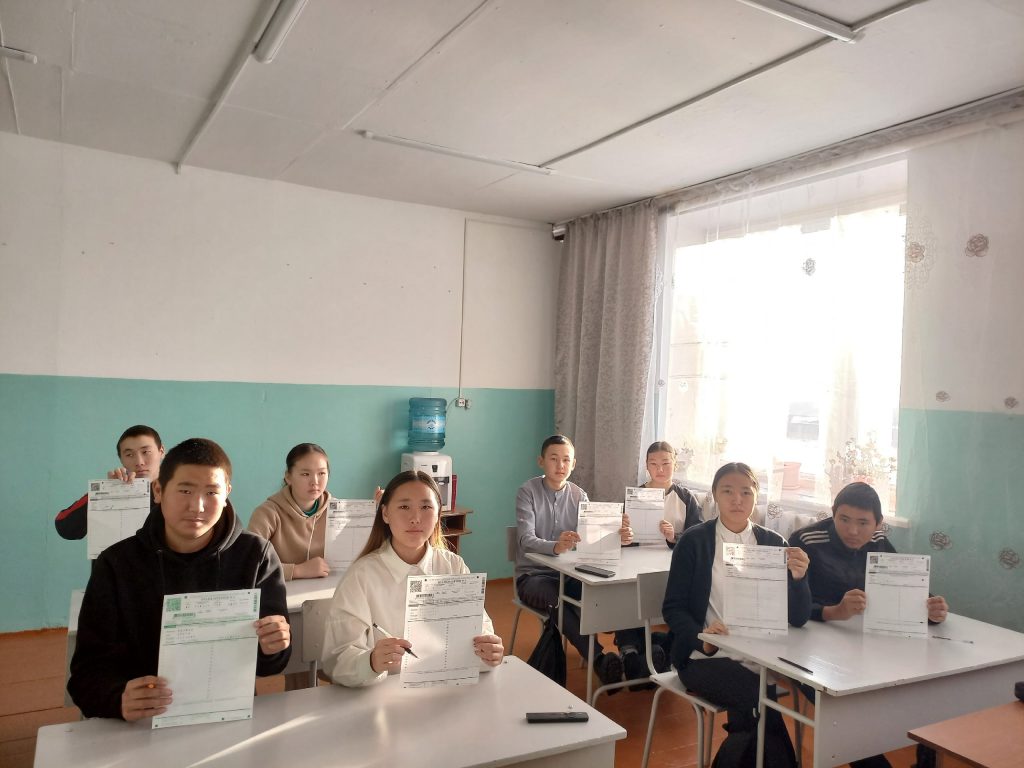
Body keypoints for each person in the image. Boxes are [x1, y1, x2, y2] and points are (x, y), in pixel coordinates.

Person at [67, 438, 291, 720]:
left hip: (227, 717)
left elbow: (270, 665)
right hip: (139, 723)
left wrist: (274, 647)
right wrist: (117, 698)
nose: (197, 506)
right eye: (185, 490)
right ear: (158, 490)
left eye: (212, 492)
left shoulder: (256, 556)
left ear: (226, 494)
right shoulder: (116, 564)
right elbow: (86, 674)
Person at [662, 462, 811, 768]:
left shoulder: (774, 544)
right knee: (759, 703)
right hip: (705, 656)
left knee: (757, 708)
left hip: (761, 656)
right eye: (727, 491)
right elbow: (673, 608)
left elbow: (798, 618)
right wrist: (702, 639)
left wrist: (799, 579)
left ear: (757, 496)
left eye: (746, 492)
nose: (737, 500)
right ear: (714, 495)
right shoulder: (694, 541)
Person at [792, 481, 949, 768]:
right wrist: (833, 611)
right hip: (809, 652)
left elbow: (907, 588)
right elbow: (791, 606)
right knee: (846, 715)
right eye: (844, 519)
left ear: (878, 523)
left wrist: (932, 611)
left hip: (866, 644)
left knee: (927, 692)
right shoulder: (806, 540)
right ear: (833, 512)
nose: (852, 530)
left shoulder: (879, 542)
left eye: (863, 523)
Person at [320, 470, 503, 686]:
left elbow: (481, 632)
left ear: (438, 514)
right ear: (385, 513)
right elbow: (336, 661)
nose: (415, 518)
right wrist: (371, 662)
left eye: (426, 507)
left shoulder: (453, 565)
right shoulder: (361, 576)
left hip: (447, 691)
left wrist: (490, 652)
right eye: (404, 507)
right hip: (383, 697)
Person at [514, 434, 635, 692]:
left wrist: (619, 537)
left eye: (566, 460)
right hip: (533, 578)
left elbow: (594, 537)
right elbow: (525, 540)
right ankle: (599, 660)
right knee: (558, 598)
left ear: (574, 463)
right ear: (541, 461)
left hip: (569, 574)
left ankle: (631, 654)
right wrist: (555, 546)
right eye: (554, 459)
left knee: (610, 591)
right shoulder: (528, 491)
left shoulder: (580, 495)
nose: (560, 465)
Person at [618, 440, 703, 686]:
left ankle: (661, 651)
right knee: (627, 598)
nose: (660, 469)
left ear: (675, 464)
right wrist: (623, 537)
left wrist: (675, 537)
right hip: (634, 563)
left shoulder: (685, 497)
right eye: (654, 464)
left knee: (680, 602)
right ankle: (630, 650)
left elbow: (698, 540)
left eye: (666, 463)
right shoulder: (634, 496)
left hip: (671, 567)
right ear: (646, 466)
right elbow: (619, 536)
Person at [54, 424, 164, 540]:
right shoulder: (109, 491)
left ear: (161, 451)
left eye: (146, 452)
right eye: (129, 455)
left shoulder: (174, 490)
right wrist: (107, 492)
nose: (139, 462)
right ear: (121, 459)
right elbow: (65, 527)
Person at [247, 443, 334, 581]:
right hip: (281, 591)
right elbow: (249, 564)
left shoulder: (339, 511)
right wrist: (297, 571)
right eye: (305, 474)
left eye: (321, 473)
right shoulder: (267, 513)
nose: (315, 481)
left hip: (330, 589)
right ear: (288, 477)